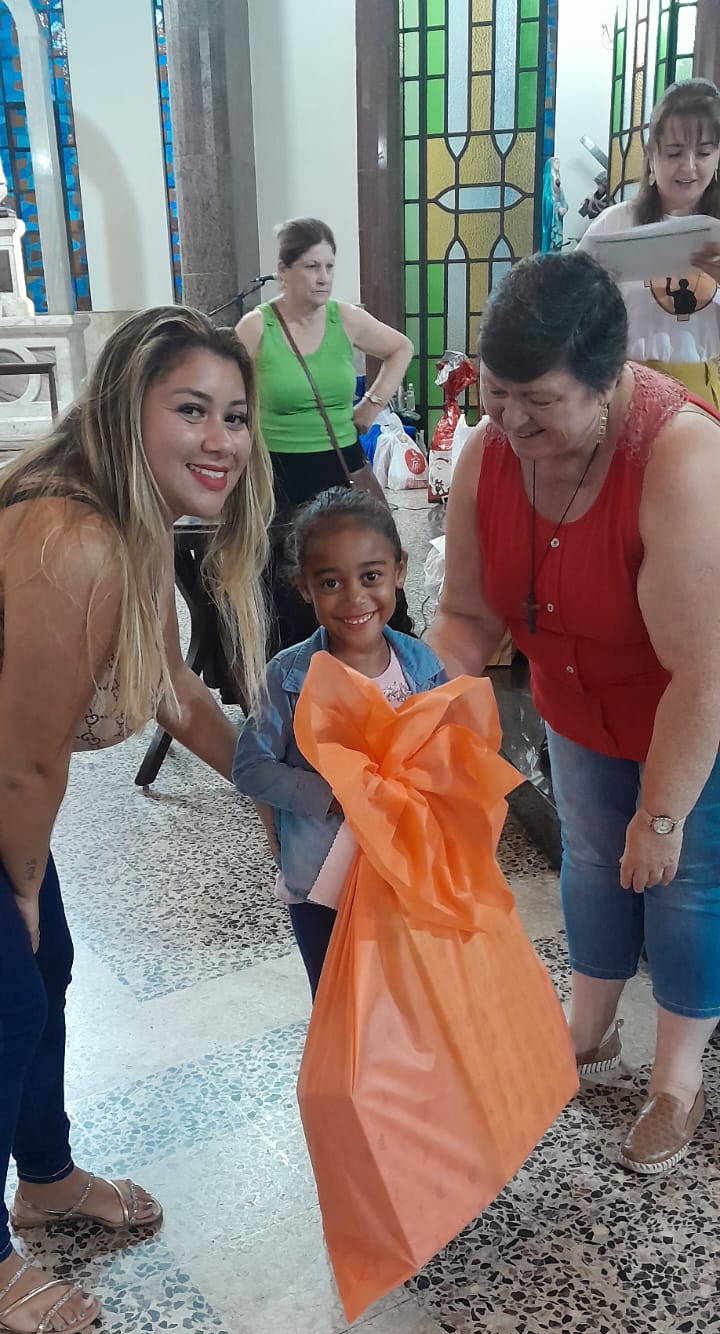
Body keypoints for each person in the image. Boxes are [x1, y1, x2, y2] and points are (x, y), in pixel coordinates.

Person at [0, 306, 273, 1334]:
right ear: (125, 409)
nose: (221, 440)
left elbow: (176, 692)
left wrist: (272, 791)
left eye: (234, 416)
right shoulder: (70, 540)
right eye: (191, 410)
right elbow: (23, 764)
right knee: (8, 1000)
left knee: (44, 974)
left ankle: (45, 1177)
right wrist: (24, 888)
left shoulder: (132, 516)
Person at [428, 250, 720, 1176]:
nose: (510, 420)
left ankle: (677, 1079)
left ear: (605, 382)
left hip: (688, 709)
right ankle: (589, 1031)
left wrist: (662, 812)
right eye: (496, 392)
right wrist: (414, 705)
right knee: (592, 859)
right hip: (575, 701)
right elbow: (466, 617)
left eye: (538, 401)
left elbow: (703, 670)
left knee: (681, 877)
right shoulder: (490, 451)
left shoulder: (678, 456)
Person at [232, 487, 445, 996]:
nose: (354, 598)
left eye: (371, 576)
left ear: (399, 571)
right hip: (322, 884)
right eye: (331, 582)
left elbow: (445, 758)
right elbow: (251, 767)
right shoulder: (288, 677)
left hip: (403, 876)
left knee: (403, 1002)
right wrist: (331, 794)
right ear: (305, 587)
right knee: (336, 1002)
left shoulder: (421, 667)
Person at [235, 217, 414, 648]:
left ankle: (380, 668)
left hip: (341, 466)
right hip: (278, 474)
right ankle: (294, 675)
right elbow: (225, 394)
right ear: (283, 271)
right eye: (312, 266)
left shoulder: (344, 318)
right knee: (290, 588)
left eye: (330, 266)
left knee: (362, 567)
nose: (324, 277)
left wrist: (370, 406)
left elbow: (400, 348)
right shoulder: (257, 328)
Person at [579, 78, 720, 406]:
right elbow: (569, 306)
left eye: (703, 152)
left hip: (700, 394)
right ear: (651, 155)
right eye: (674, 152)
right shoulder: (614, 225)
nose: (688, 166)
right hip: (624, 388)